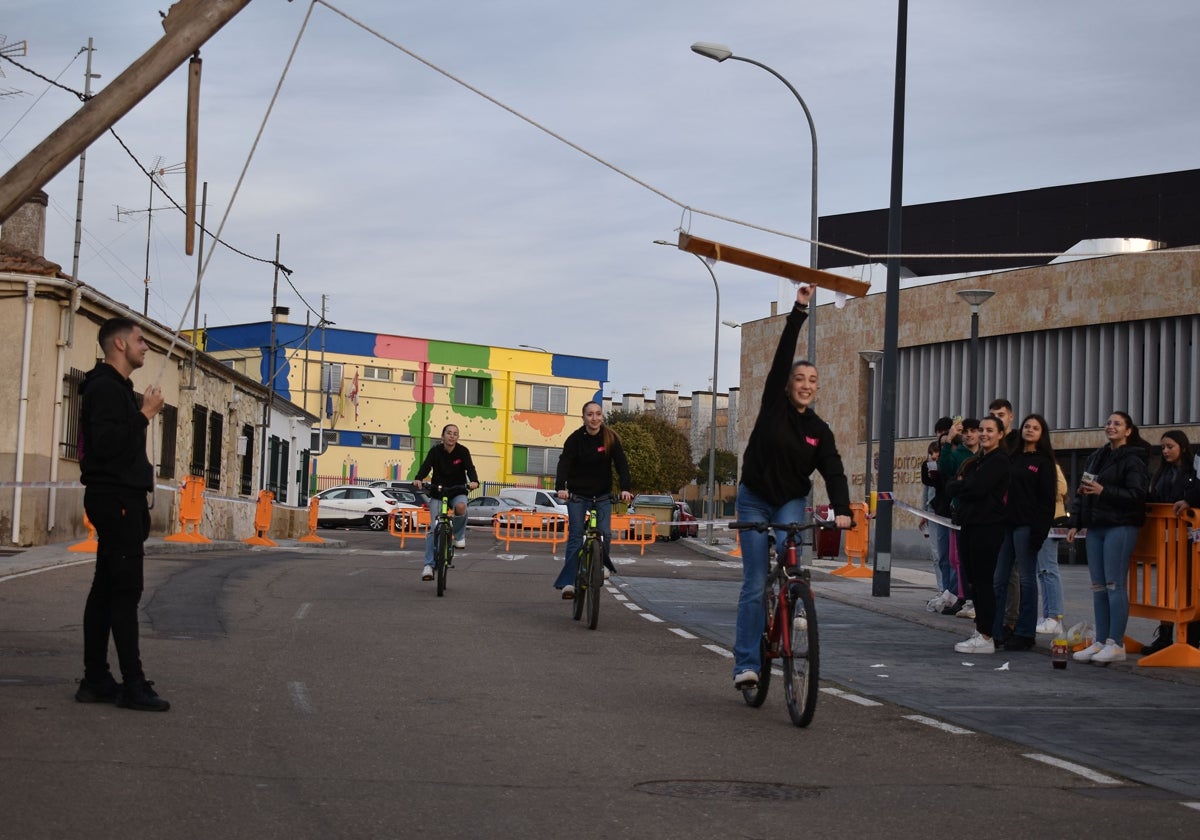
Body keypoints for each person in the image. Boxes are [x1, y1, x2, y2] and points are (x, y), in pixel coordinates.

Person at [731, 284, 852, 689]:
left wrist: (843, 511)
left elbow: (833, 471)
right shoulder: (773, 405)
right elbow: (783, 357)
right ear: (788, 384)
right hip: (754, 500)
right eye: (799, 378)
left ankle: (794, 592)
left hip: (789, 501)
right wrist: (799, 310)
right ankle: (746, 664)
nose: (804, 384)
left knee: (791, 552)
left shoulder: (819, 430)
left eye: (812, 380)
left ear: (817, 388)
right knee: (752, 583)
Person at [76, 316, 170, 711]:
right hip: (116, 500)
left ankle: (96, 678)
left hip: (118, 497)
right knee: (124, 592)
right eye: (140, 340)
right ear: (118, 345)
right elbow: (107, 443)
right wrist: (145, 414)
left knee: (104, 590)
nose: (146, 347)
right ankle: (132, 684)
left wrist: (139, 411)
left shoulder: (116, 389)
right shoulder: (105, 388)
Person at [1068, 411, 1151, 664]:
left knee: (1115, 584)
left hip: (1120, 526)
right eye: (1108, 422)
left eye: (1117, 423)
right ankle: (1101, 640)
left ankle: (1116, 643)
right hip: (1096, 526)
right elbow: (1082, 492)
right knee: (1098, 586)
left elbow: (1137, 494)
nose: (1111, 426)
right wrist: (1076, 522)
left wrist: (1105, 491)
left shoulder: (1134, 459)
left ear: (1128, 430)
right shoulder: (1096, 457)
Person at [945, 414, 1011, 654]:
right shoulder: (978, 460)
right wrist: (962, 485)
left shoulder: (999, 461)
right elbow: (951, 485)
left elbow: (976, 488)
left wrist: (962, 485)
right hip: (970, 525)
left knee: (983, 582)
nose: (984, 434)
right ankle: (979, 630)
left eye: (989, 430)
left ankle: (986, 635)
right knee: (973, 581)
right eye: (981, 429)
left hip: (988, 527)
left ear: (1000, 434)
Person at [553, 401, 633, 597]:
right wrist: (560, 488)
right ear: (583, 417)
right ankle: (569, 583)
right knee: (576, 535)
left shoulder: (610, 438)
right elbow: (564, 463)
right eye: (590, 414)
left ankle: (602, 564)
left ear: (602, 417)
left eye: (598, 414)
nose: (594, 418)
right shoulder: (574, 440)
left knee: (605, 532)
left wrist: (625, 488)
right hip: (578, 495)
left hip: (603, 495)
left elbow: (621, 464)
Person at [992, 414, 1057, 651]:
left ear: (1042, 433)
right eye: (1027, 426)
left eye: (1035, 427)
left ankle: (1025, 633)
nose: (1029, 430)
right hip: (1005, 526)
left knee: (1028, 581)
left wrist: (1038, 534)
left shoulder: (1043, 462)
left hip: (1027, 527)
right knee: (999, 580)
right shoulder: (1012, 457)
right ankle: (995, 630)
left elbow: (1047, 501)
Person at [1140, 430, 1197, 653]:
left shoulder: (1193, 471)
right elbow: (1156, 498)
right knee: (1165, 587)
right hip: (1166, 537)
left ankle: (1190, 637)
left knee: (1189, 588)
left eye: (1169, 446)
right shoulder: (1162, 473)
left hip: (1190, 538)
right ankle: (1164, 636)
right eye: (1162, 447)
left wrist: (1190, 499)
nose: (1165, 451)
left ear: (1182, 447)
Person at [413, 424, 479, 581]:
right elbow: (426, 466)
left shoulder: (463, 451)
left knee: (461, 507)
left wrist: (474, 481)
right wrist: (419, 478)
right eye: (449, 433)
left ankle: (458, 535)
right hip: (438, 492)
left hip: (457, 490)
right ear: (442, 436)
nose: (452, 436)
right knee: (433, 529)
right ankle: (428, 566)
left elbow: (470, 468)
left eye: (455, 434)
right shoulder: (435, 451)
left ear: (457, 437)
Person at [938, 417, 981, 617]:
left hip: (983, 513)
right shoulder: (958, 455)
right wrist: (948, 441)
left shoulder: (986, 453)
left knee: (977, 558)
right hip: (961, 512)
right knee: (959, 558)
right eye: (966, 432)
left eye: (974, 431)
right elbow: (944, 467)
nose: (970, 435)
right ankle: (966, 598)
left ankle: (976, 599)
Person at [1034, 460, 1070, 636]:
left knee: (1048, 569)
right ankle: (1049, 615)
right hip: (1036, 522)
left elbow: (1062, 489)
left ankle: (1055, 617)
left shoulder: (1050, 465)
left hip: (1049, 520)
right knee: (1042, 571)